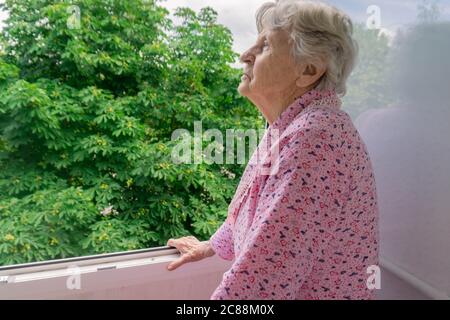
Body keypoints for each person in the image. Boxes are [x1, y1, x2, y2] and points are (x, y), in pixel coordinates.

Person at [167, 0, 379, 300]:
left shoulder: (316, 139)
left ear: (308, 70)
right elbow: (261, 214)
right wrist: (211, 246)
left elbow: (259, 284)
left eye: (264, 46)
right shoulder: (292, 126)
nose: (245, 56)